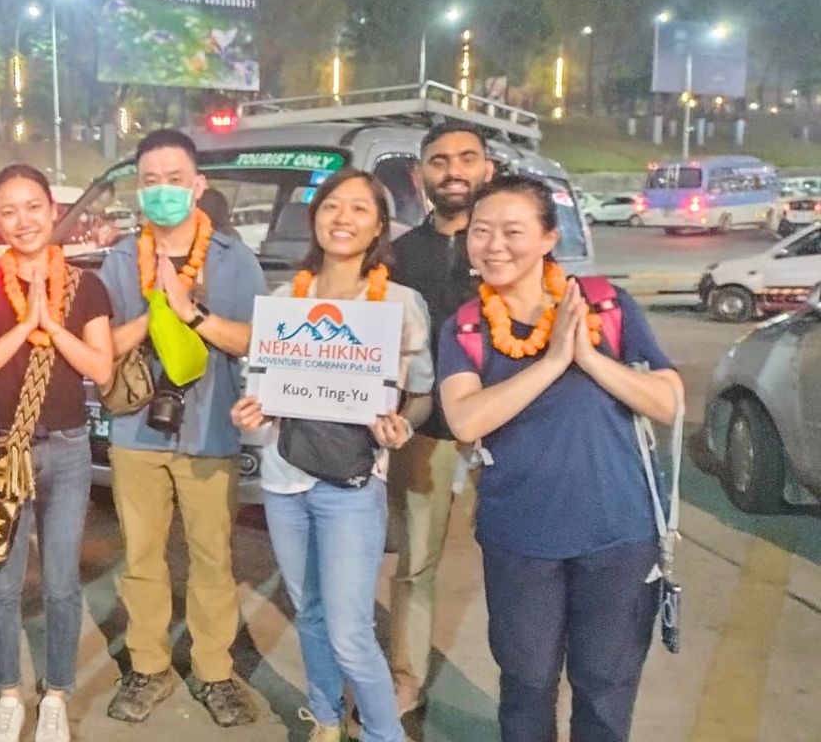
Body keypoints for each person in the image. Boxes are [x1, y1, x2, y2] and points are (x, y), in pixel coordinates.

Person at [438, 175, 682, 742]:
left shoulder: (605, 306)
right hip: (520, 540)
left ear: (549, 237)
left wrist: (591, 359)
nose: (494, 245)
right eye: (480, 231)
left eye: (512, 231)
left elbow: (668, 401)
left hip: (619, 535)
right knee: (526, 683)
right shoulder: (467, 328)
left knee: (607, 687)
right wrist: (550, 362)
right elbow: (466, 420)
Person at [231, 169, 432, 742]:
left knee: (349, 632)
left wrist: (401, 426)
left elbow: (420, 392)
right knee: (311, 614)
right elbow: (265, 393)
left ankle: (382, 734)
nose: (342, 219)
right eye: (331, 207)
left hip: (351, 485)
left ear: (377, 228)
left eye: (359, 210)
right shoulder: (282, 302)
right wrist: (254, 412)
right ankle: (324, 716)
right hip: (282, 478)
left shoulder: (398, 304)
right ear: (314, 218)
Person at [98, 129, 267, 728]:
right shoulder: (121, 259)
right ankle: (149, 666)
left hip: (208, 433)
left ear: (198, 186)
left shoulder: (231, 258)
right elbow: (106, 347)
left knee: (211, 559)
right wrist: (154, 315)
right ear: (137, 190)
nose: (162, 190)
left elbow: (255, 339)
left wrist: (194, 313)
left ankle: (215, 672)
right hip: (136, 433)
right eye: (150, 181)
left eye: (174, 179)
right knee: (142, 559)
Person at [0, 164, 115, 742]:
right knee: (1, 583)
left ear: (52, 211)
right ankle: (8, 695)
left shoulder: (84, 286)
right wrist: (25, 327)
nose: (23, 220)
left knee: (62, 582)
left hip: (68, 451)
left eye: (33, 207)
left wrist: (54, 325)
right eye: (9, 210)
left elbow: (100, 366)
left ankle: (55, 695)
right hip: (0, 449)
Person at [384, 119, 496, 714]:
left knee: (517, 559)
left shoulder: (508, 244)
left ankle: (526, 684)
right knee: (415, 563)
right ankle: (406, 676)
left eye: (467, 159)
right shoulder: (399, 256)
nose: (454, 171)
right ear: (420, 174)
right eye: (439, 161)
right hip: (426, 430)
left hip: (509, 429)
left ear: (488, 169)